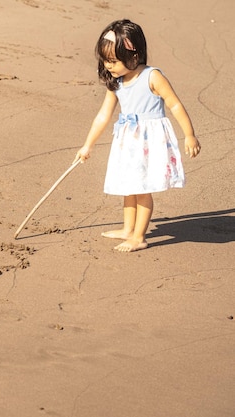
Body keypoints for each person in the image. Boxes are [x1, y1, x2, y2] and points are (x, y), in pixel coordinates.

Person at [75, 19, 201, 252]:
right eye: (105, 60)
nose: (108, 66)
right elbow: (103, 115)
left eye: (113, 60)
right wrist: (87, 145)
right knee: (128, 186)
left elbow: (174, 105)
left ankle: (139, 236)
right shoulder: (117, 83)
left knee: (142, 188)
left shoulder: (152, 77)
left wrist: (189, 135)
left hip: (149, 142)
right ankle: (128, 229)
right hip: (127, 142)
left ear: (133, 55)